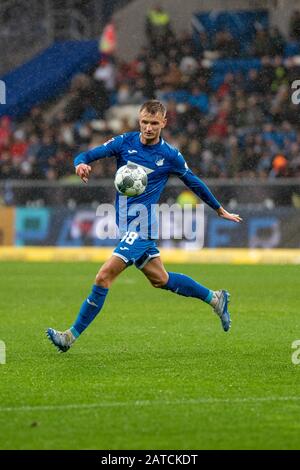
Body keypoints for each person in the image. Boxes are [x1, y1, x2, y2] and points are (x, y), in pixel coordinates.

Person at [46, 100, 242, 353]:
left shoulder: (170, 155)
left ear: (163, 123)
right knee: (161, 279)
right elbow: (87, 155)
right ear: (139, 121)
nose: (148, 128)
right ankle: (215, 298)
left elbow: (193, 182)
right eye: (144, 122)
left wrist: (218, 209)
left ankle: (69, 337)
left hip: (143, 226)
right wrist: (80, 164)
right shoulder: (124, 142)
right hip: (126, 225)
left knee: (104, 276)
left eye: (153, 123)